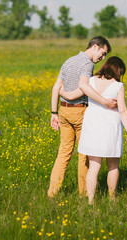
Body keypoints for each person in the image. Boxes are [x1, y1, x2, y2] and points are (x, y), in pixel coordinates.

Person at [48, 36, 116, 198]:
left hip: (63, 111)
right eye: (103, 52)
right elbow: (83, 86)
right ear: (94, 47)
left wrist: (54, 112)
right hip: (79, 112)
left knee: (63, 153)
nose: (103, 58)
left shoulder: (69, 60)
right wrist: (105, 102)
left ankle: (52, 193)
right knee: (84, 153)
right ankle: (84, 195)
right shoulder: (87, 63)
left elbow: (56, 87)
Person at [76, 56, 127, 204]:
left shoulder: (90, 80)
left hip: (92, 124)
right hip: (110, 126)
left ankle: (90, 201)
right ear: (118, 70)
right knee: (113, 166)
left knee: (94, 167)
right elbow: (122, 110)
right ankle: (112, 198)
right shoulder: (118, 86)